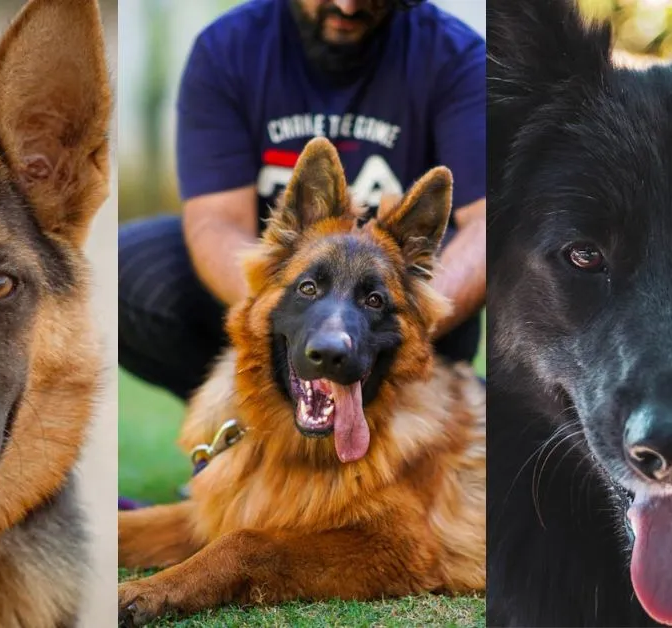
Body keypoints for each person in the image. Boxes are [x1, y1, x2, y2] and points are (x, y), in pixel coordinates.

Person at [119, 0, 486, 400]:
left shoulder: (458, 57)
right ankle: (245, 408)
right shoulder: (227, 48)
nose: (347, 7)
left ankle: (418, 403)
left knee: (445, 268)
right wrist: (287, 314)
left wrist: (405, 314)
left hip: (393, 313)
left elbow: (489, 224)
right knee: (127, 268)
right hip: (280, 288)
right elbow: (216, 220)